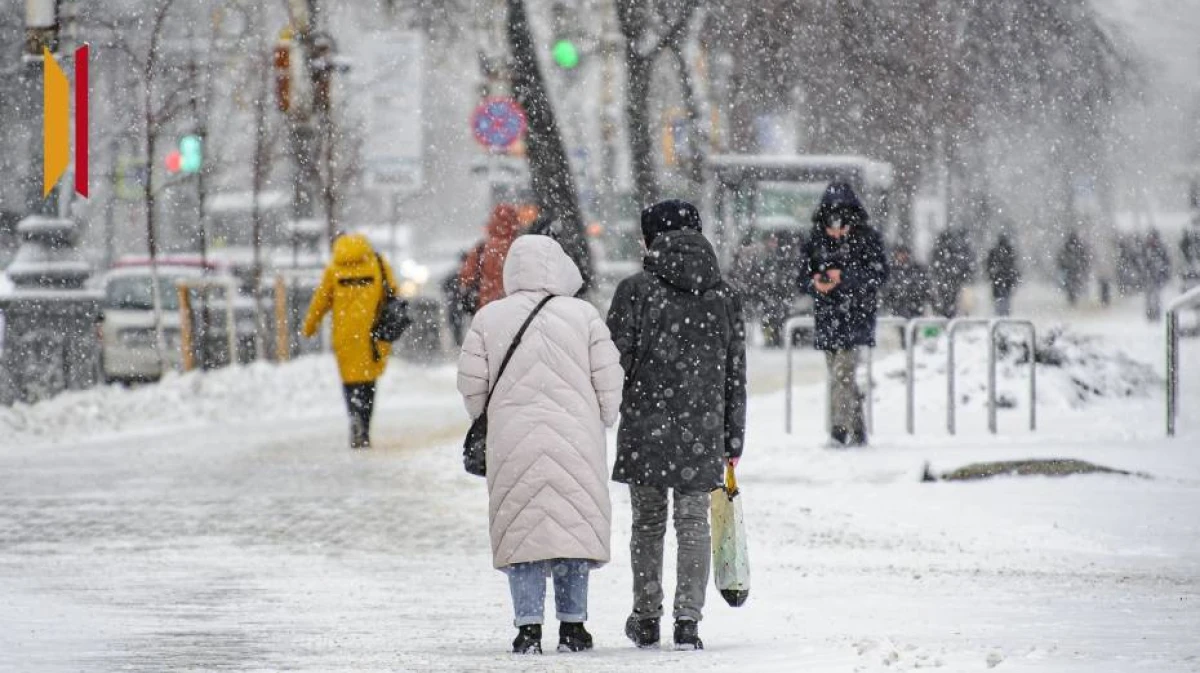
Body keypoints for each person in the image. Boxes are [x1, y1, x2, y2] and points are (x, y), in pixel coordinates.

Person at [457, 235, 623, 655]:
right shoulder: (583, 314)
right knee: (571, 528)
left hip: (513, 437)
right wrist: (604, 414)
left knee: (524, 528)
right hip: (575, 438)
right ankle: (573, 627)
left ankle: (528, 627)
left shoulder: (489, 317)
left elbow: (471, 385)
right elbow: (609, 377)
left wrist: (487, 416)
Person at [606, 199, 746, 651]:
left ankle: (646, 617)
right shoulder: (723, 295)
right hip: (701, 427)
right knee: (693, 522)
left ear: (651, 238)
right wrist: (733, 436)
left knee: (647, 523)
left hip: (645, 423)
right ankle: (688, 620)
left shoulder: (634, 291)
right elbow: (734, 374)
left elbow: (613, 363)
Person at [801, 181, 890, 447]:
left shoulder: (867, 239)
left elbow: (879, 274)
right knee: (840, 376)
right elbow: (801, 277)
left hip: (855, 315)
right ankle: (858, 429)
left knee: (843, 374)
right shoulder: (816, 241)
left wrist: (845, 278)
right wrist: (816, 282)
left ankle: (838, 430)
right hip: (828, 316)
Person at [303, 232, 399, 449]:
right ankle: (364, 426)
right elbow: (392, 291)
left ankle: (354, 416)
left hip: (344, 335)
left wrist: (310, 326)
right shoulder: (377, 263)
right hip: (371, 335)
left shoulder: (334, 268)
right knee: (368, 383)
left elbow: (320, 300)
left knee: (350, 382)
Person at [458, 204, 522, 313]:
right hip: (516, 310)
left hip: (487, 309)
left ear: (493, 222)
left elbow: (466, 277)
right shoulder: (521, 247)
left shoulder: (481, 249)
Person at [881, 244, 931, 344]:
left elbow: (924, 286)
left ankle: (910, 350)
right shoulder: (891, 269)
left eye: (904, 253)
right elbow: (887, 289)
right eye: (900, 253)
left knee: (913, 331)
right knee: (902, 332)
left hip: (914, 306)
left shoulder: (916, 268)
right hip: (899, 306)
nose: (902, 256)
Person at [929, 227, 974, 318]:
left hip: (945, 280)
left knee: (945, 302)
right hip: (952, 280)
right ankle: (950, 317)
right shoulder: (955, 250)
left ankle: (946, 317)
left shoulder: (940, 250)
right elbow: (962, 265)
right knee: (953, 302)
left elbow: (934, 265)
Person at [985, 234, 1021, 317]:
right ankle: (1004, 317)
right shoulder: (1009, 251)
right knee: (1005, 301)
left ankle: (999, 317)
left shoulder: (994, 252)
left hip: (997, 282)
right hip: (1006, 282)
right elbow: (1013, 267)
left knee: (999, 302)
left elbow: (988, 266)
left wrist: (991, 275)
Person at [1057, 229, 1090, 306]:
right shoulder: (1079, 246)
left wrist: (1062, 265)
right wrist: (1083, 266)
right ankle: (1073, 297)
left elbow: (1061, 256)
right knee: (1075, 283)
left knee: (1070, 284)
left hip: (1069, 268)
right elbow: (1084, 257)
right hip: (1075, 268)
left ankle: (1071, 297)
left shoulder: (1067, 245)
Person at [1144, 229, 1171, 320]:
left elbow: (1166, 263)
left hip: (1157, 277)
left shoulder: (1161, 249)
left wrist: (1164, 275)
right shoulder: (1146, 249)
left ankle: (1156, 314)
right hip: (1149, 277)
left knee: (1156, 297)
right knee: (1149, 297)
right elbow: (1143, 263)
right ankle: (1150, 314)